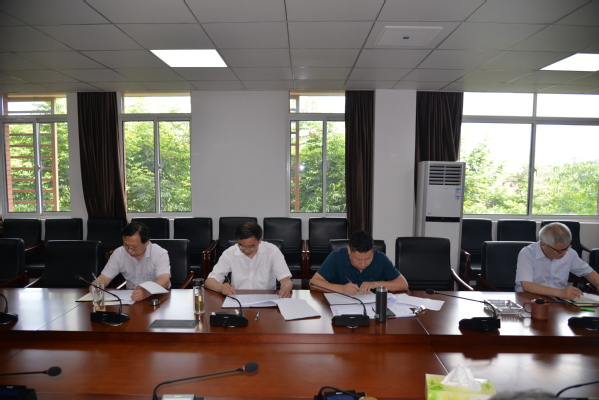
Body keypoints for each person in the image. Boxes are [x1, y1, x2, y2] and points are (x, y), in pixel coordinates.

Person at [206, 222, 293, 298]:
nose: (246, 250)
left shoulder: (272, 251)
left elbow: (285, 280)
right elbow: (209, 281)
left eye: (251, 246)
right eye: (241, 246)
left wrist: (285, 288)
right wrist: (221, 288)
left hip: (266, 299)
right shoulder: (229, 253)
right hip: (238, 299)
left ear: (260, 240)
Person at [515, 222, 599, 300]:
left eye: (567, 248)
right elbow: (527, 285)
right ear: (543, 245)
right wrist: (560, 292)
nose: (565, 253)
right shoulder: (528, 253)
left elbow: (587, 271)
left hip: (558, 300)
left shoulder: (570, 253)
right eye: (560, 251)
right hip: (529, 299)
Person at [310, 230, 409, 294]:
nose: (363, 264)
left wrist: (374, 284)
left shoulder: (380, 258)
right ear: (349, 250)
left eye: (367, 259)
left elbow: (403, 284)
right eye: (358, 259)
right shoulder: (336, 256)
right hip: (341, 306)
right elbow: (314, 283)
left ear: (373, 250)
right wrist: (342, 289)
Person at [94, 221, 171, 301]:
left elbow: (164, 280)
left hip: (156, 297)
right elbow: (105, 277)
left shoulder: (159, 253)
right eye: (126, 246)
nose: (129, 250)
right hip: (130, 297)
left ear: (147, 242)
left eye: (134, 247)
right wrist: (96, 285)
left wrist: (148, 291)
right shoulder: (119, 253)